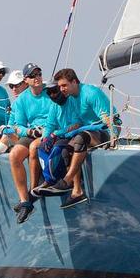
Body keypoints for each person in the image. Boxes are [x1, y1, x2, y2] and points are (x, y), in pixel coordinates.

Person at [33, 67, 113, 209]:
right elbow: (56, 123)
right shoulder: (71, 98)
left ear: (74, 82)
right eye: (60, 86)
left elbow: (108, 121)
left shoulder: (91, 93)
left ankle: (66, 181)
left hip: (105, 133)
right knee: (65, 149)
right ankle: (76, 191)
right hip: (87, 133)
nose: (61, 89)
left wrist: (111, 138)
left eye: (64, 85)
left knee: (79, 138)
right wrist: (48, 138)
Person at [7, 63, 55, 224]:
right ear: (26, 80)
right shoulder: (22, 100)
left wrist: (46, 129)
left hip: (51, 130)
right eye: (33, 75)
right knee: (14, 155)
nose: (37, 78)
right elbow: (18, 126)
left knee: (35, 147)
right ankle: (24, 201)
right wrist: (29, 132)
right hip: (33, 132)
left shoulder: (50, 92)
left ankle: (33, 192)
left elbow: (60, 112)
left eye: (39, 74)